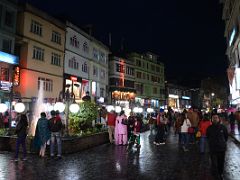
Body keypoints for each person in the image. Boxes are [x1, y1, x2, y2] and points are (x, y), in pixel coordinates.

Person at [206, 114, 228, 180]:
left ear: (218, 119)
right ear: (212, 119)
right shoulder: (209, 128)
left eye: (216, 118)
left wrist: (222, 142)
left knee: (221, 162)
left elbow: (226, 137)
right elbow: (208, 136)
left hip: (221, 148)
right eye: (213, 118)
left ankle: (220, 173)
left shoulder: (223, 127)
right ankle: (215, 175)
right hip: (213, 148)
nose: (215, 119)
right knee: (214, 163)